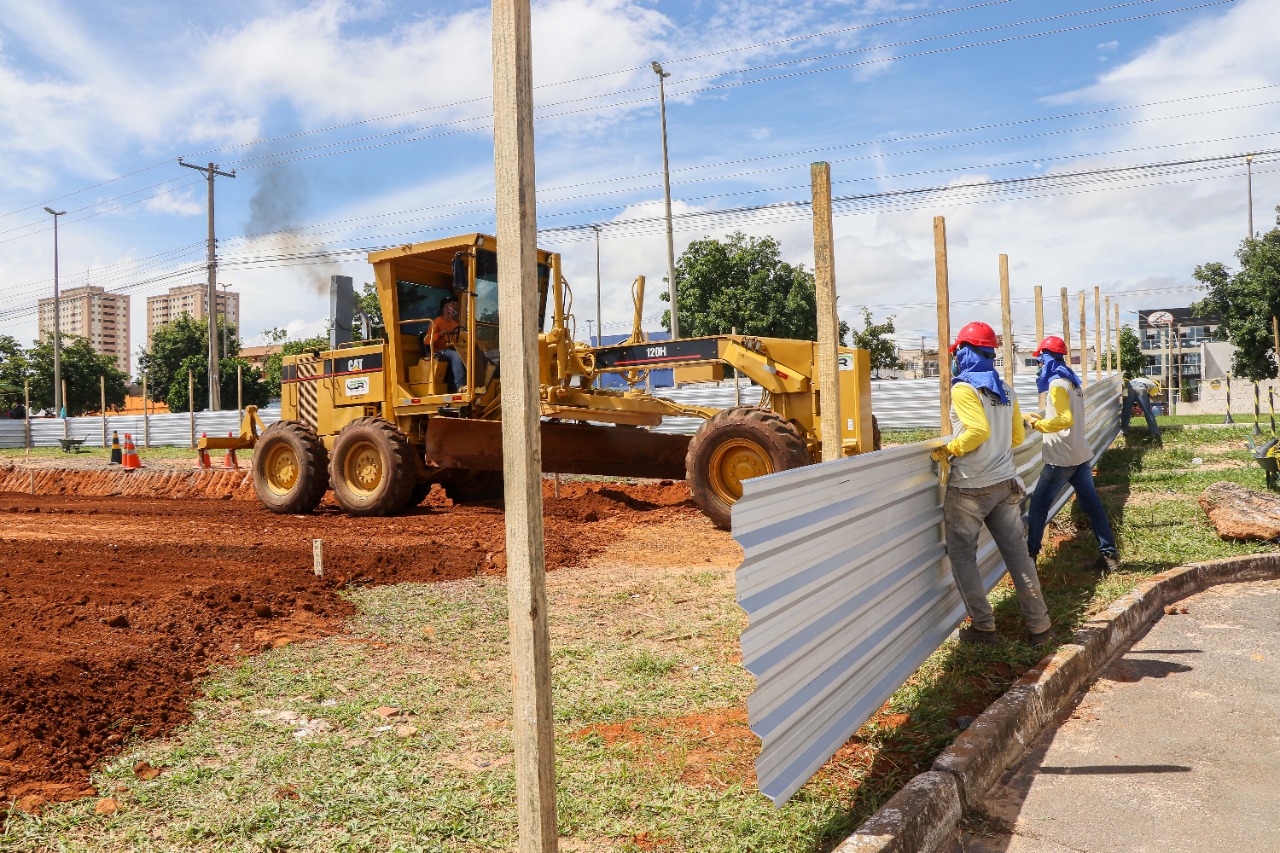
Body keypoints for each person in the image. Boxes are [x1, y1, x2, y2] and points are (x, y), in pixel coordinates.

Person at [930, 321, 1054, 647]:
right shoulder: (1006, 389)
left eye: (958, 352)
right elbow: (1015, 437)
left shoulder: (963, 388)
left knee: (962, 556)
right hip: (1005, 484)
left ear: (965, 353)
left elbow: (977, 432)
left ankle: (984, 629)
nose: (956, 358)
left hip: (970, 487)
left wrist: (949, 449)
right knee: (1018, 557)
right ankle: (1040, 627)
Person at [1023, 335, 1120, 572]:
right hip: (1079, 453)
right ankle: (1110, 555)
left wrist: (1037, 425)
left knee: (1038, 507)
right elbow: (1064, 415)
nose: (1039, 366)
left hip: (1061, 457)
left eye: (1040, 361)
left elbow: (1064, 419)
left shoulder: (1057, 384)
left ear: (1046, 358)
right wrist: (1045, 419)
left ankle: (1029, 561)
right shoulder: (1072, 382)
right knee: (1092, 504)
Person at [429, 297, 466, 392]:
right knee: (456, 356)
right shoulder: (437, 322)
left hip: (453, 348)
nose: (456, 307)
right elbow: (426, 340)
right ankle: (460, 385)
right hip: (440, 350)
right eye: (453, 304)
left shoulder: (455, 324)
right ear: (446, 308)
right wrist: (438, 335)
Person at [1121, 375, 1161, 439]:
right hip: (1141, 387)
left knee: (1126, 410)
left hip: (1129, 386)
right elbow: (1150, 395)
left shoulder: (1140, 379)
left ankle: (1124, 431)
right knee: (1148, 412)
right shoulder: (1155, 386)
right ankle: (1155, 432)